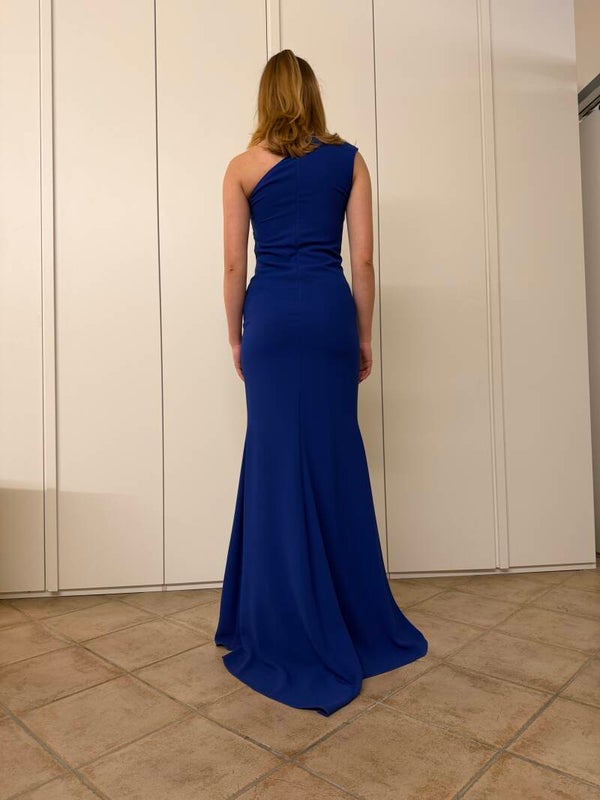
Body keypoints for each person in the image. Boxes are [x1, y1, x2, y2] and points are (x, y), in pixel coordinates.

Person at [214, 49, 428, 715]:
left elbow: (233, 266)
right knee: (334, 458)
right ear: (312, 94)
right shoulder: (350, 161)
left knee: (275, 459)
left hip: (273, 318)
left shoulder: (241, 168)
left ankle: (280, 615)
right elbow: (362, 261)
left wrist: (235, 335)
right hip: (330, 314)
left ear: (264, 97)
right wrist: (362, 335)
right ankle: (350, 613)